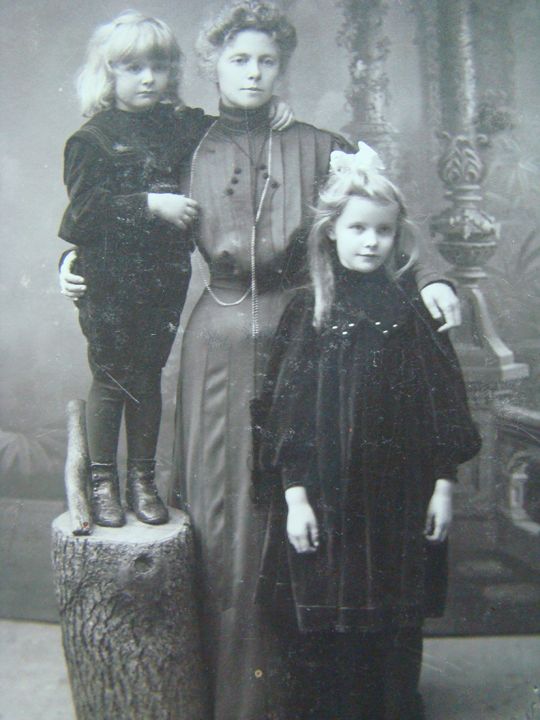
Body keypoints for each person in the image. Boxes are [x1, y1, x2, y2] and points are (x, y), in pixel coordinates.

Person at [59, 2, 462, 716]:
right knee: (223, 521)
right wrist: (71, 263)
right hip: (214, 349)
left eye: (266, 61)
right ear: (211, 65)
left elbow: (386, 216)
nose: (253, 73)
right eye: (238, 59)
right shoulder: (183, 139)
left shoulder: (320, 145)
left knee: (298, 513)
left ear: (282, 67)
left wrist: (431, 277)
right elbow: (108, 205)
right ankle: (223, 697)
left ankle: (305, 698)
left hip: (307, 345)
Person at [256, 142, 481, 719]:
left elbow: (441, 406)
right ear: (331, 230)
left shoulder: (412, 311)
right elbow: (286, 414)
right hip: (327, 496)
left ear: (396, 235)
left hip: (398, 496)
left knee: (395, 620)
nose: (370, 242)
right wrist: (295, 497)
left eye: (382, 231)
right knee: (328, 619)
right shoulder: (309, 310)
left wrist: (443, 485)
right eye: (357, 228)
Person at [58, 10, 292, 528]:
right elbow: (83, 214)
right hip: (108, 280)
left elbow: (232, 127)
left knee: (147, 375)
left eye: (159, 67)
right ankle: (103, 482)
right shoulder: (91, 139)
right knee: (112, 376)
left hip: (163, 276)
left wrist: (270, 106)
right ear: (108, 73)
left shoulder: (182, 125)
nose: (148, 79)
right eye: (133, 68)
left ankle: (141, 480)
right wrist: (151, 203)